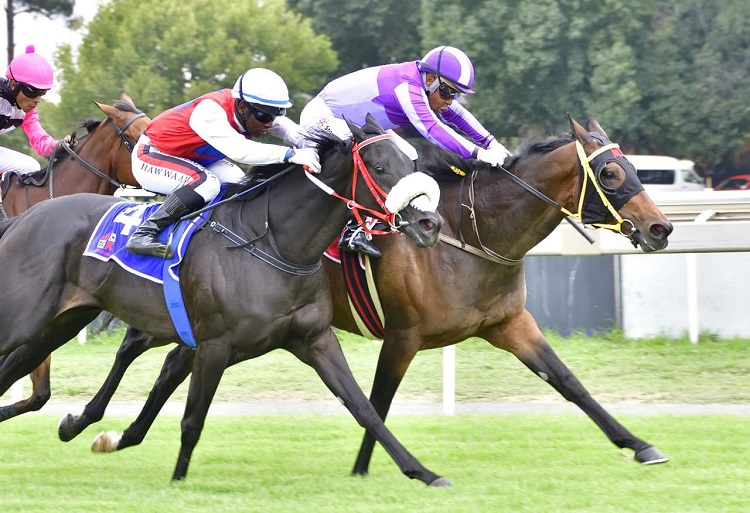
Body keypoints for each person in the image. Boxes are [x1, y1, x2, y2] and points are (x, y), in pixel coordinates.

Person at [299, 45, 511, 257]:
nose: (450, 100)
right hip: (323, 118)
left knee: (409, 154)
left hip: (361, 127)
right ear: (430, 79)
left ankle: (388, 217)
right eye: (448, 92)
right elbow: (432, 129)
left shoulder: (427, 85)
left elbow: (458, 115)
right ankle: (352, 228)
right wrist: (478, 153)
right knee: (369, 155)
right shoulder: (408, 87)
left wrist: (491, 143)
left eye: (456, 94)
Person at [126, 67, 321, 259]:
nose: (270, 123)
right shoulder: (210, 112)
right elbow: (241, 151)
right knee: (207, 184)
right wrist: (291, 154)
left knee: (240, 183)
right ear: (242, 107)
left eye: (276, 115)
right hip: (152, 155)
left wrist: (323, 147)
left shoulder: (254, 109)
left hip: (190, 158)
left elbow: (293, 133)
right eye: (264, 116)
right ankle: (144, 233)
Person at [1, 45, 64, 176]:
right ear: (13, 85)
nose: (37, 100)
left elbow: (41, 141)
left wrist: (60, 147)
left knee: (31, 167)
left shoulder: (26, 113)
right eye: (32, 92)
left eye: (42, 93)